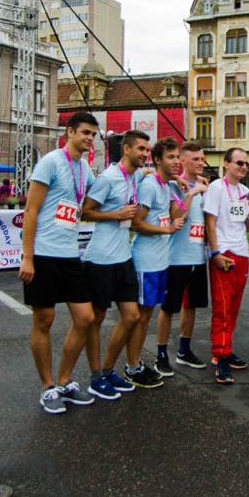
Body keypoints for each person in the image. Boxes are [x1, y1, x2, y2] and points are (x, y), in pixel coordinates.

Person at [18, 112, 98, 413]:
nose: (89, 138)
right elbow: (31, 210)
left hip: (69, 254)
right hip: (43, 253)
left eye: (93, 134)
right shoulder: (50, 161)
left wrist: (139, 175)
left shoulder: (84, 168)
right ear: (70, 132)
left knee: (85, 318)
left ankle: (64, 381)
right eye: (85, 133)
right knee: (44, 320)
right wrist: (27, 257)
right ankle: (47, 387)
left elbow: (97, 193)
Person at [82, 130, 150, 398]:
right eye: (142, 149)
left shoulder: (134, 175)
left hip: (123, 257)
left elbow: (148, 175)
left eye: (147, 150)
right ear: (127, 150)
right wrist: (117, 214)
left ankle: (109, 370)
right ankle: (96, 376)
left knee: (132, 316)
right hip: (100, 259)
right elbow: (85, 211)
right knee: (96, 320)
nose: (146, 154)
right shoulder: (109, 178)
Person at [126, 137, 185, 388]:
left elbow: (177, 213)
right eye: (171, 157)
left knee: (147, 315)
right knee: (139, 317)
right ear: (158, 159)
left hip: (160, 260)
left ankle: (136, 363)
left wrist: (184, 189)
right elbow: (135, 223)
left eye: (178, 157)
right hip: (145, 260)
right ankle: (132, 367)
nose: (177, 161)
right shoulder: (150, 185)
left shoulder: (165, 186)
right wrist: (167, 230)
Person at [203, 147, 249, 384]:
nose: (243, 167)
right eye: (238, 163)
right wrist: (215, 252)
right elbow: (210, 221)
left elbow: (244, 227)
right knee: (222, 307)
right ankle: (221, 356)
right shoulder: (216, 188)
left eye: (245, 163)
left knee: (234, 306)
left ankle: (225, 350)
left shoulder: (246, 192)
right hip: (223, 252)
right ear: (226, 164)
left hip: (241, 253)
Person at [155, 141, 209, 376]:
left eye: (202, 159)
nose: (200, 163)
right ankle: (161, 354)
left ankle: (184, 350)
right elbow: (176, 214)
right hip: (176, 257)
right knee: (169, 308)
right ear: (184, 161)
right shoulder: (174, 186)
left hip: (198, 255)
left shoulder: (206, 186)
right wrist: (191, 192)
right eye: (195, 159)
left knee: (192, 305)